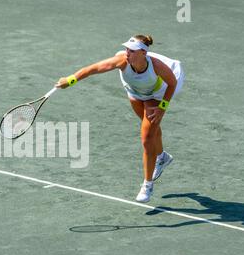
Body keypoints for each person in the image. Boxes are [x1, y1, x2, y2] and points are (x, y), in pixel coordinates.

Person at [55, 35, 184, 202]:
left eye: (132, 50)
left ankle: (147, 185)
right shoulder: (121, 61)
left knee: (146, 138)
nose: (127, 53)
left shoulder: (157, 66)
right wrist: (70, 80)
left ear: (143, 53)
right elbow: (93, 69)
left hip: (158, 92)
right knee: (151, 130)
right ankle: (162, 157)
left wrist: (162, 108)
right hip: (135, 91)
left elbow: (172, 83)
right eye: (127, 49)